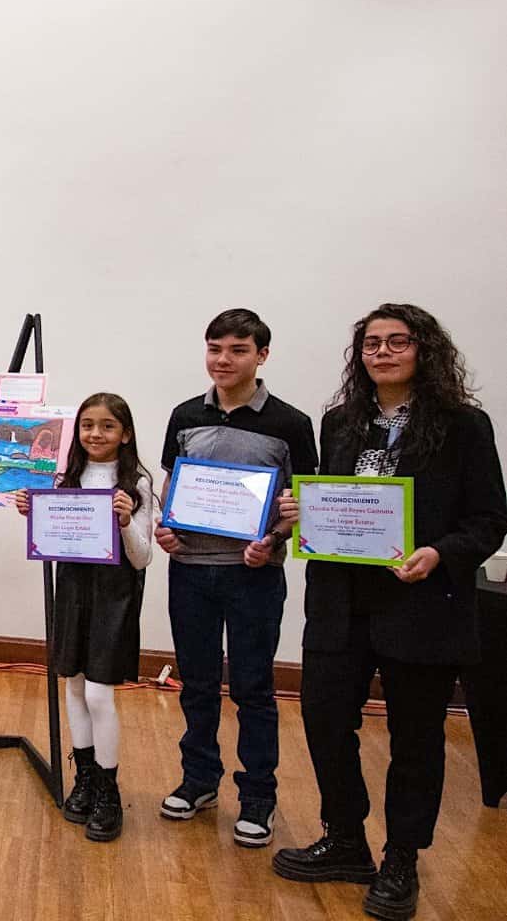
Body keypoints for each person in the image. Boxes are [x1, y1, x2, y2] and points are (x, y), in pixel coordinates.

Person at [270, 305, 507, 921]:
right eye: (372, 343)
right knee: (324, 720)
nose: (382, 352)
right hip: (340, 603)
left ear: (424, 349)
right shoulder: (341, 421)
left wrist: (440, 553)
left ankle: (402, 856)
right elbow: (335, 504)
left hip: (422, 604)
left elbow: (489, 520)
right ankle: (346, 839)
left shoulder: (463, 425)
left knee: (416, 738)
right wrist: (302, 512)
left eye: (397, 342)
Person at [156, 308, 318, 847]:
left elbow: (304, 505)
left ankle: (258, 797)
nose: (223, 360)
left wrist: (273, 539)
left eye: (238, 350)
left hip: (254, 576)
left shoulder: (291, 424)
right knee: (197, 684)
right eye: (215, 349)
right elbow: (173, 489)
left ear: (262, 355)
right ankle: (199, 780)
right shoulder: (184, 415)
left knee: (254, 688)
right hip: (189, 571)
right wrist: (166, 529)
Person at [15, 393, 153, 841]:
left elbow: (143, 557)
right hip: (73, 591)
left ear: (125, 434)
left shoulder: (138, 482)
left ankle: (109, 790)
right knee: (74, 685)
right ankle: (86, 779)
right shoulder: (64, 477)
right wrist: (32, 512)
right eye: (88, 425)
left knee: (98, 693)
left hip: (114, 595)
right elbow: (52, 537)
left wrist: (126, 521)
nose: (96, 434)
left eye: (108, 426)